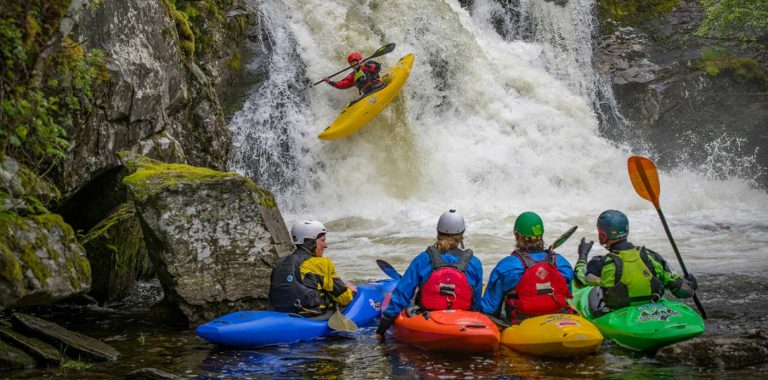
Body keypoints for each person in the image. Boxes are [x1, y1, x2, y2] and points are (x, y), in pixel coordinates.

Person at [375, 209, 484, 339]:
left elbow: (401, 295)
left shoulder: (423, 259)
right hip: (462, 320)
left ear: (438, 232)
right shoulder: (474, 263)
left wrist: (381, 331)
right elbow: (476, 302)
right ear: (462, 234)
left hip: (428, 318)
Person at [574, 210, 698, 315]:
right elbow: (682, 291)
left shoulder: (601, 263)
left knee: (591, 291)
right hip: (651, 310)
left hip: (619, 314)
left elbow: (579, 280)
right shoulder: (651, 256)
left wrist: (583, 255)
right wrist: (690, 283)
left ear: (602, 235)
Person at [480, 212, 574, 324]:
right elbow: (568, 294)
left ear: (517, 236)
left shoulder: (507, 267)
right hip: (557, 318)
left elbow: (490, 309)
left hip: (521, 322)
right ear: (541, 236)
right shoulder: (562, 264)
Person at [269, 220, 357, 316]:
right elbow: (344, 298)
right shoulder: (321, 263)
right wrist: (351, 290)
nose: (326, 245)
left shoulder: (280, 262)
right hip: (309, 314)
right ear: (310, 242)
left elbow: (298, 282)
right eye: (323, 240)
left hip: (280, 313)